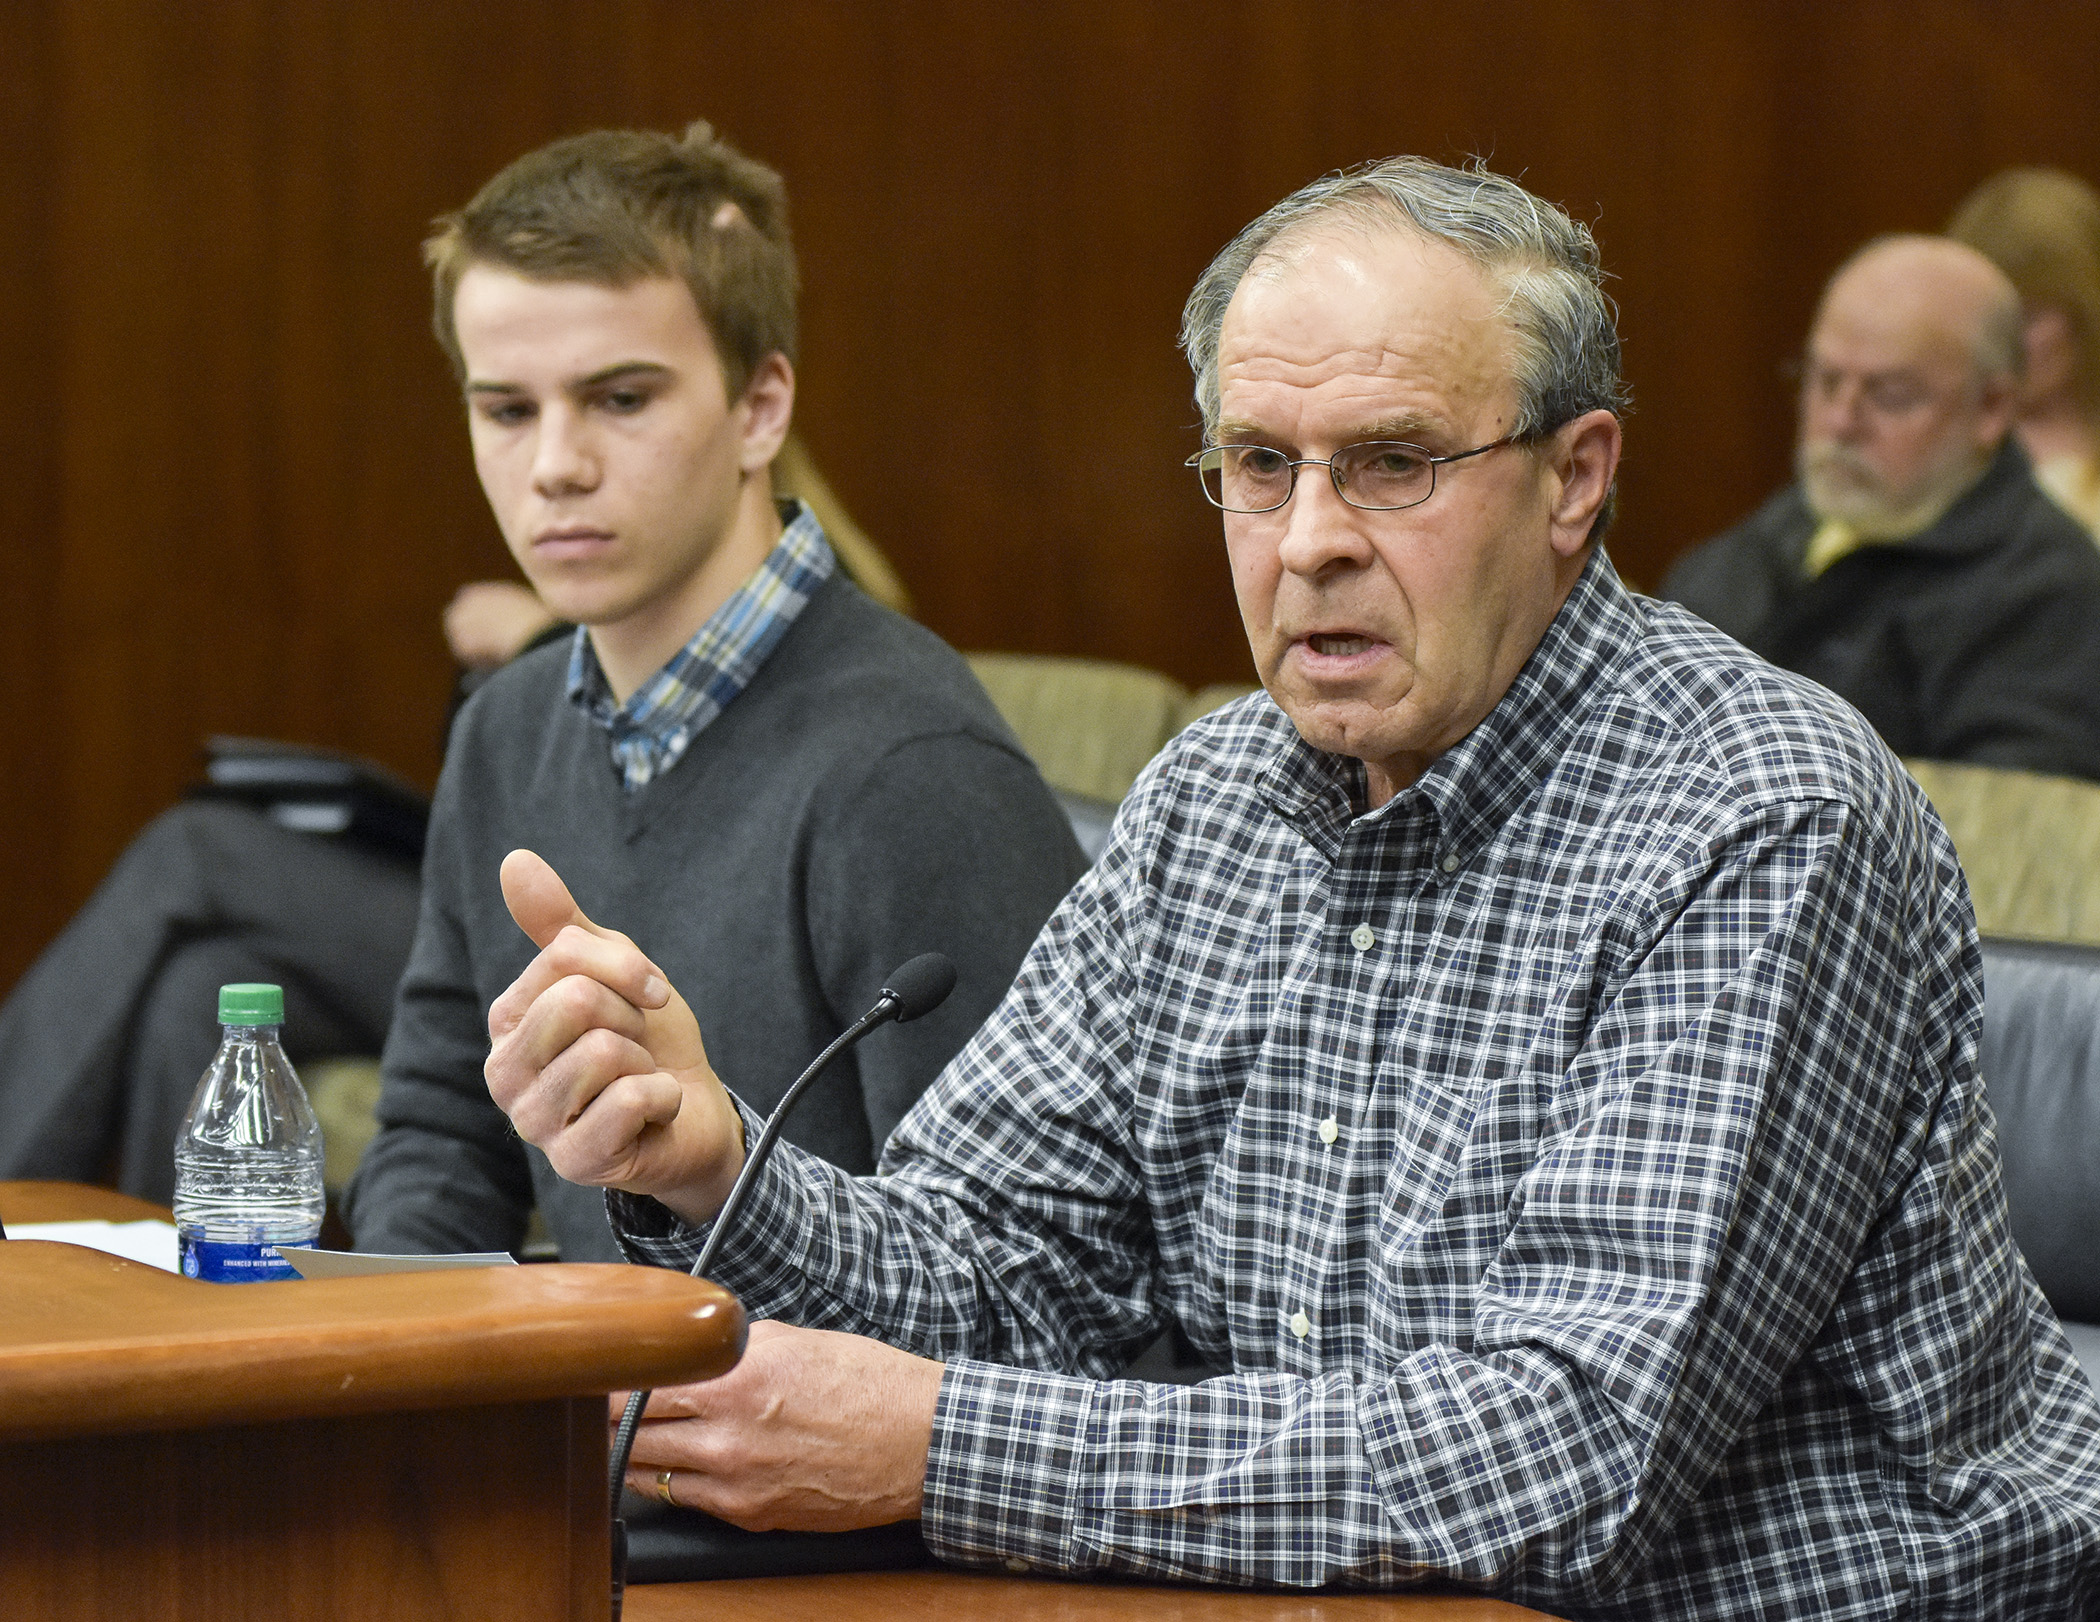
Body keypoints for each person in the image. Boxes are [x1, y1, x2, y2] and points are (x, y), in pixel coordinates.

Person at [480, 157, 2100, 1615]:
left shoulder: (1760, 815)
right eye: (1260, 464)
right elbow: (1001, 1265)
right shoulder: (1211, 803)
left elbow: (1562, 1455)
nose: (1308, 539)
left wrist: (942, 1446)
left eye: (1391, 464)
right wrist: (711, 1166)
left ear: (1574, 477)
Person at [330, 121, 1085, 1261]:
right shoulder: (504, 730)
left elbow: (1026, 1283)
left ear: (760, 408)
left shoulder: (913, 767)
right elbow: (441, 1140)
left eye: (620, 398)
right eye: (507, 409)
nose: (554, 465)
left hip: (826, 1429)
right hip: (596, 1423)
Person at [1663, 234, 2100, 783]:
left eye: (1890, 395)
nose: (1840, 422)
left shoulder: (2051, 594)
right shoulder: (1744, 552)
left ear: (1991, 407)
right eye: (1825, 381)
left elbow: (2008, 842)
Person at [1949, 167, 2100, 535]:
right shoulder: (1944, 449)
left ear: (2087, 313)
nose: (2008, 344)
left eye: (2029, 317)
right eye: (1992, 321)